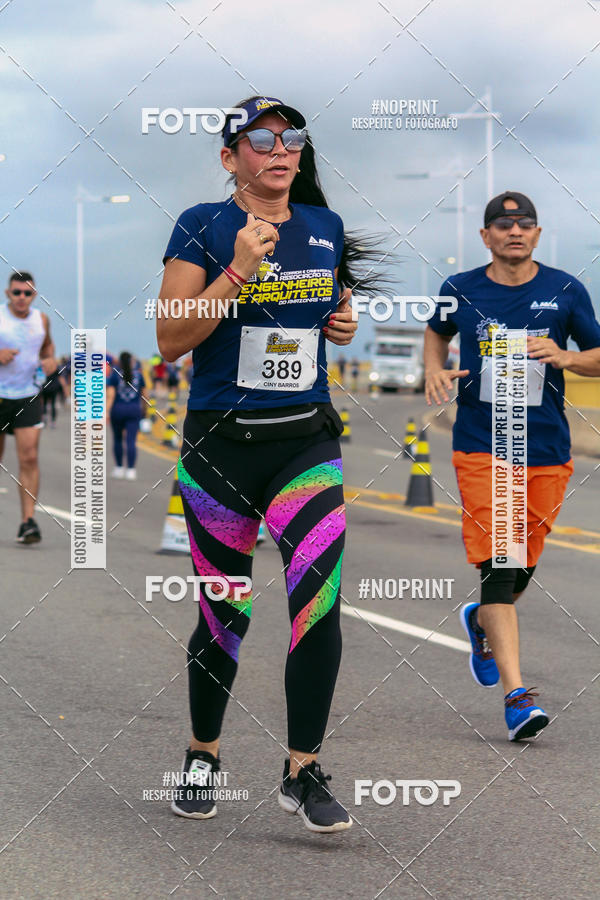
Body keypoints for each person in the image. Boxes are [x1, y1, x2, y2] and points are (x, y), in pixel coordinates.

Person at [158, 95, 385, 831]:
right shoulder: (202, 225)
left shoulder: (324, 227)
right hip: (220, 450)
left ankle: (302, 770)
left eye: (291, 137)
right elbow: (169, 341)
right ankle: (202, 755)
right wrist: (236, 272)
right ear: (231, 158)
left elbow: (325, 313)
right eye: (260, 138)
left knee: (318, 604)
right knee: (225, 613)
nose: (279, 148)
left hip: (305, 443)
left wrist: (342, 321)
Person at [425, 191, 600, 741]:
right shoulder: (461, 289)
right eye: (503, 225)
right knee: (501, 564)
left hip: (546, 447)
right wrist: (434, 369)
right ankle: (517, 697)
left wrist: (568, 357)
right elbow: (437, 330)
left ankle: (479, 620)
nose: (515, 232)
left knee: (522, 561)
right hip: (481, 443)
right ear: (486, 237)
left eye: (525, 224)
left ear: (538, 234)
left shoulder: (566, 290)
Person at [0, 271, 57, 543]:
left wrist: (50, 360)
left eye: (27, 293)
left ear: (34, 295)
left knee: (29, 457)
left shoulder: (41, 320)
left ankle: (28, 522)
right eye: (16, 292)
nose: (22, 298)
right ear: (7, 293)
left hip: (28, 395)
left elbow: (47, 348)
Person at [106, 351, 148, 480]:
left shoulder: (115, 375)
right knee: (131, 440)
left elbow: (111, 395)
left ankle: (119, 468)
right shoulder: (139, 376)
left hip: (117, 410)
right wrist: (144, 411)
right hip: (134, 410)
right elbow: (145, 396)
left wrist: (106, 411)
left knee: (118, 439)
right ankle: (131, 470)